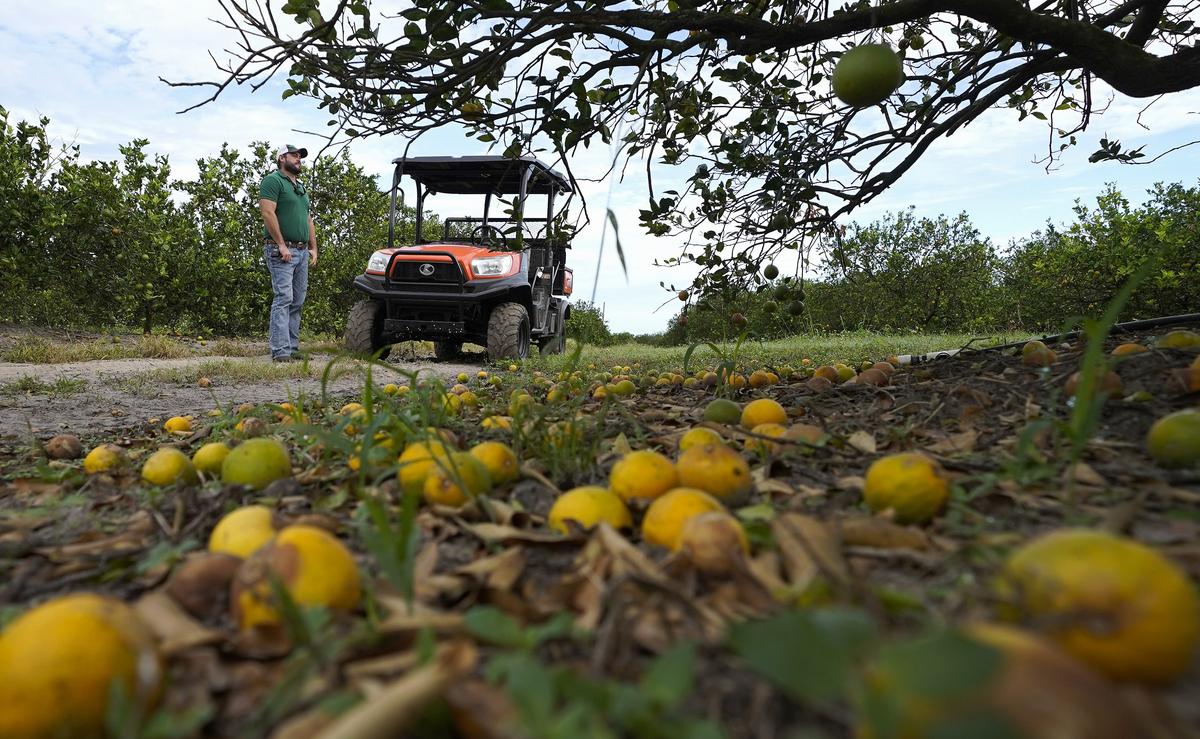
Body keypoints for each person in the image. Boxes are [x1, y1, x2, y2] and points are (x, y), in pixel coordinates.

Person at [259, 144, 318, 362]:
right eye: (294, 155)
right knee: (284, 298)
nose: (299, 159)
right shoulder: (272, 181)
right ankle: (280, 351)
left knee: (297, 300)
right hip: (281, 250)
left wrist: (314, 248)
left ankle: (292, 348)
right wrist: (281, 245)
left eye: (300, 156)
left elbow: (308, 219)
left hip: (302, 251)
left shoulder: (300, 187)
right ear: (282, 158)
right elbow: (267, 212)